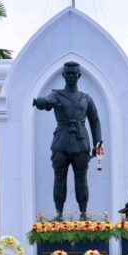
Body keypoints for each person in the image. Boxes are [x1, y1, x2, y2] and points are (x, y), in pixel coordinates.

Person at [32, 61, 103, 219]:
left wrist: (98, 142)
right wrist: (43, 102)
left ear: (79, 75)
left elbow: (95, 120)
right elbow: (45, 102)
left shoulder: (86, 98)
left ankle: (84, 214)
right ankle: (59, 215)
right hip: (61, 142)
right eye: (68, 73)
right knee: (59, 178)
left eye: (74, 73)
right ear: (63, 75)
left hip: (81, 142)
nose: (71, 76)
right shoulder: (56, 94)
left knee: (81, 179)